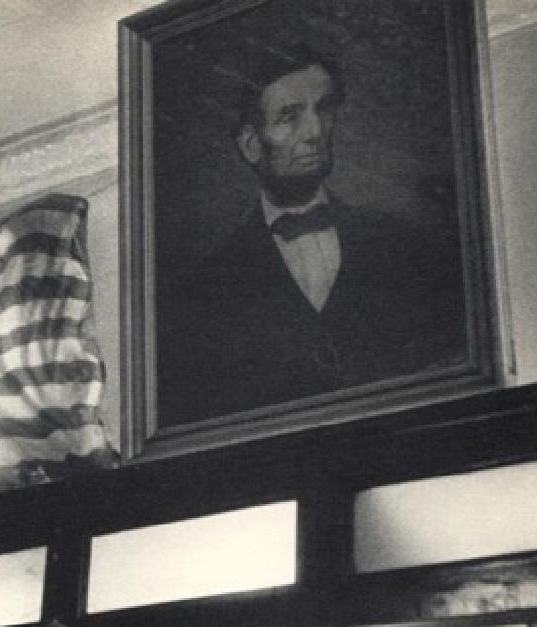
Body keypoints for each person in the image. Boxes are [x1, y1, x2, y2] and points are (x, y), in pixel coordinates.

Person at [160, 44, 467, 425]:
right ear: (251, 144)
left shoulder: (400, 243)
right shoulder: (207, 288)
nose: (315, 131)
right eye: (290, 116)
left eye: (322, 109)